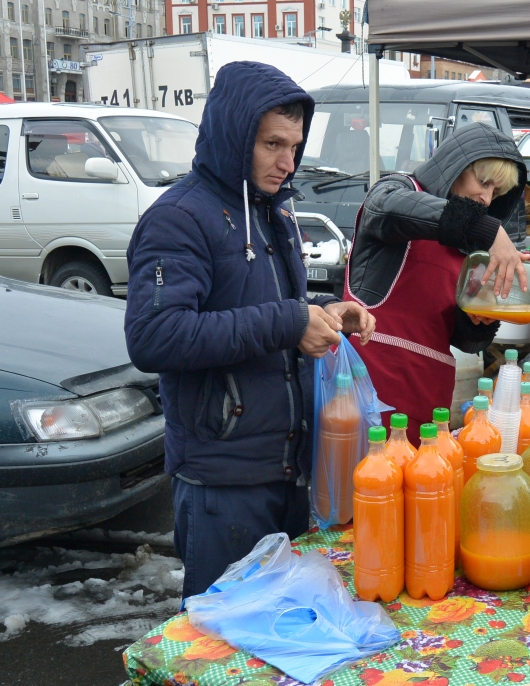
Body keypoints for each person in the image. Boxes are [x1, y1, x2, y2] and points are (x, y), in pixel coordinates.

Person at [124, 62, 376, 598]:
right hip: (223, 481)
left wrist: (328, 312)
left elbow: (268, 305)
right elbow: (155, 336)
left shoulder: (271, 210)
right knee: (223, 649)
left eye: (294, 145)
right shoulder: (179, 219)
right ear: (236, 136)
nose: (288, 163)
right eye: (272, 145)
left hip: (285, 467)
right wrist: (290, 322)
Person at [344, 122, 527, 436]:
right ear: (454, 168)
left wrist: (475, 321)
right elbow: (387, 210)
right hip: (370, 393)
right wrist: (488, 229)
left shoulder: (465, 245)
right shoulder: (395, 191)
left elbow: (465, 341)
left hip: (428, 399)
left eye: (495, 192)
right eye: (482, 182)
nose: (486, 198)